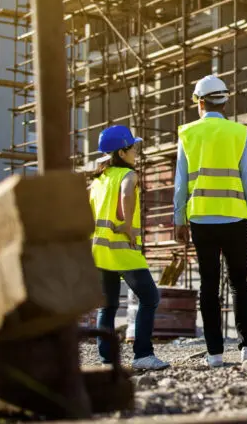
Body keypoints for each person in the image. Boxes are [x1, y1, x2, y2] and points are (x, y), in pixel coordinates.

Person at [173, 74, 247, 367]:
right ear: (224, 101)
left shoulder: (187, 133)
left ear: (200, 102)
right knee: (239, 283)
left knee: (208, 285)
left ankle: (214, 353)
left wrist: (179, 218)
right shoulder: (238, 132)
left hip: (200, 218)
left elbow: (180, 182)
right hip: (236, 217)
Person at [89, 125, 170, 371]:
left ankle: (106, 360)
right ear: (122, 152)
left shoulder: (98, 180)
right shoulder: (129, 175)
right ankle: (143, 354)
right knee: (149, 298)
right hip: (123, 249)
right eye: (133, 147)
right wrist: (125, 223)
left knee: (108, 305)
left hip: (99, 251)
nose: (136, 152)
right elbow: (126, 194)